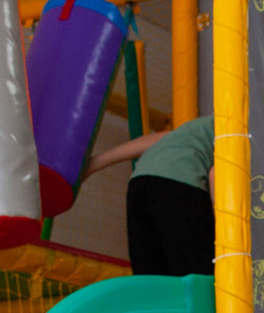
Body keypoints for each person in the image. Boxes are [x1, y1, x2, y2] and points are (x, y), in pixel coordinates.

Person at [83, 113, 213, 278]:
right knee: (199, 274)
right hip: (180, 183)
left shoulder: (199, 127)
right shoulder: (238, 127)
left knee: (150, 276)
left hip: (140, 182)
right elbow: (215, 174)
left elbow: (158, 139)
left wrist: (94, 163)